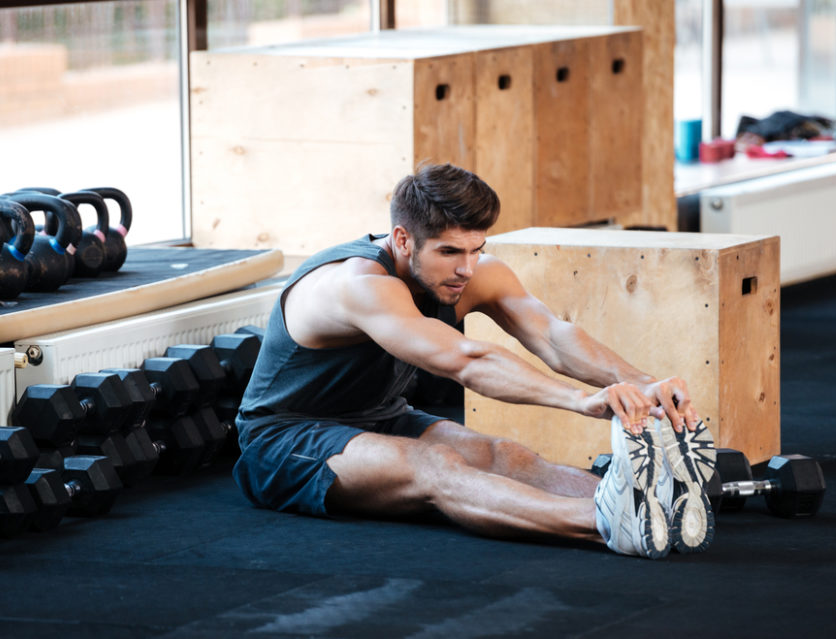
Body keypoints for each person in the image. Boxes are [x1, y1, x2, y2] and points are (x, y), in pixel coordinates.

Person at [233, 163, 717, 559]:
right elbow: (466, 360)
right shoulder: (357, 286)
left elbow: (552, 335)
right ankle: (607, 520)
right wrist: (581, 400)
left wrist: (641, 382)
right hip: (284, 439)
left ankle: (655, 505)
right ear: (403, 240)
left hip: (380, 418)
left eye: (475, 249)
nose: (466, 267)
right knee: (435, 466)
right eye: (448, 252)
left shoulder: (470, 272)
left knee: (505, 455)